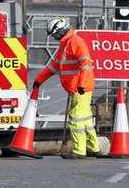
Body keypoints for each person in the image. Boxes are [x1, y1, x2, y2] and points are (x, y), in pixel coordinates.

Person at [33, 17, 99, 159]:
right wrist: (38, 80)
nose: (54, 38)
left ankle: (80, 151)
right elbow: (53, 66)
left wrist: (81, 84)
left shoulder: (75, 42)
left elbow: (86, 64)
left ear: (60, 31)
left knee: (75, 118)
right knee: (85, 119)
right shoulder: (65, 45)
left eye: (54, 35)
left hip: (81, 88)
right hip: (77, 88)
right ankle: (93, 148)